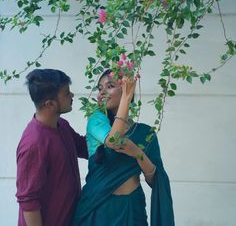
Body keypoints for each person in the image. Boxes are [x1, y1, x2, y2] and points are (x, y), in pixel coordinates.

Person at [72, 69, 175, 225]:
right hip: (100, 207)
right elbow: (114, 140)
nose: (102, 93)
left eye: (110, 86)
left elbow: (156, 181)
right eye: (100, 88)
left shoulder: (145, 133)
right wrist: (126, 98)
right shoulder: (97, 120)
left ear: (127, 89)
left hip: (132, 208)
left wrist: (138, 153)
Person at [16, 68, 88, 226]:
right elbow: (28, 201)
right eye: (66, 93)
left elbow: (85, 148)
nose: (72, 96)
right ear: (49, 104)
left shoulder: (61, 125)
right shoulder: (33, 143)